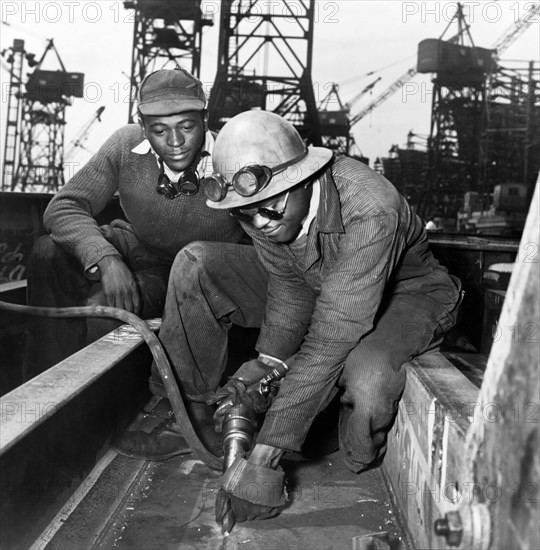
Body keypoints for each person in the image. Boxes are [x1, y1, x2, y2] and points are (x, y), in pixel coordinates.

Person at [200, 110, 462, 525]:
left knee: (368, 376)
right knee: (299, 374)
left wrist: (267, 454)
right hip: (334, 289)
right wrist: (269, 361)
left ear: (303, 178)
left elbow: (331, 337)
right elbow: (288, 289)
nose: (257, 224)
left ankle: (357, 463)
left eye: (266, 211)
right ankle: (309, 432)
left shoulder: (371, 208)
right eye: (244, 215)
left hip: (411, 293)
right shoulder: (256, 207)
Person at [23, 68, 269, 454]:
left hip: (188, 272)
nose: (175, 143)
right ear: (142, 125)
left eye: (187, 126)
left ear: (205, 119)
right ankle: (42, 392)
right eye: (159, 130)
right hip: (135, 247)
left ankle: (94, 420)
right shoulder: (125, 146)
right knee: (47, 251)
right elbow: (64, 207)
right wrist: (105, 259)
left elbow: (268, 248)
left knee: (103, 313)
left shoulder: (233, 161)